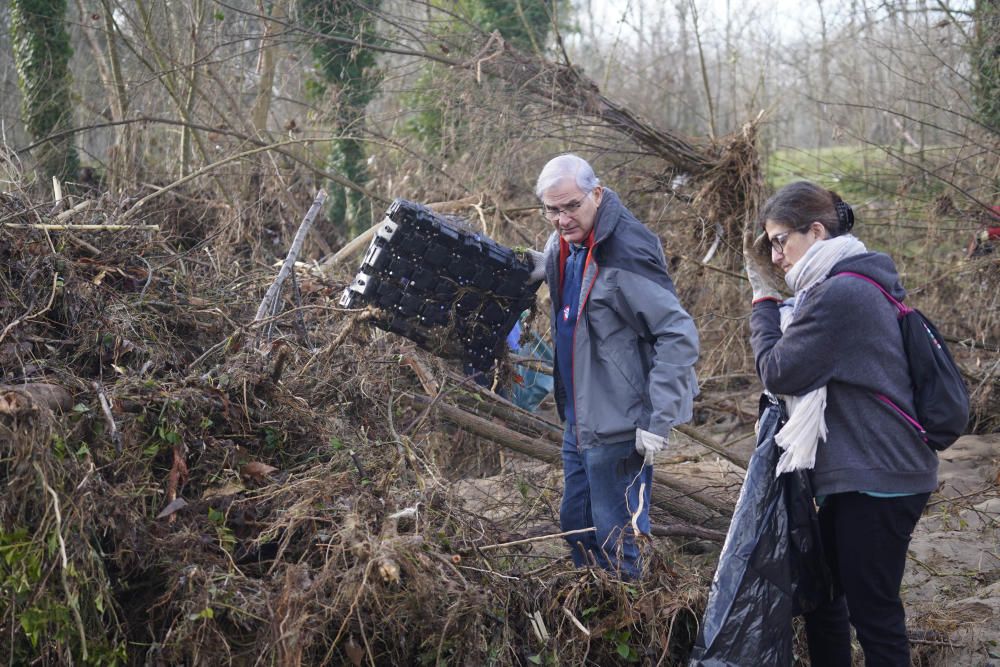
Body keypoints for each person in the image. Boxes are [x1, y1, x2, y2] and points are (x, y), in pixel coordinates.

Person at [744, 180, 938, 666]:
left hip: (879, 477)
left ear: (814, 232)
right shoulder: (843, 284)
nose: (776, 256)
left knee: (874, 613)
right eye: (769, 244)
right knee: (824, 598)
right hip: (860, 473)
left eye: (778, 241)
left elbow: (779, 370)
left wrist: (764, 305)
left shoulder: (840, 294)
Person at [526, 154, 699, 579]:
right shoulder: (564, 245)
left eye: (571, 206)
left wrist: (658, 419)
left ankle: (635, 624)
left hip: (621, 426)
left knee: (616, 536)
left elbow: (677, 333)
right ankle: (598, 606)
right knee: (576, 524)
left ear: (597, 195)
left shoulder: (626, 252)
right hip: (580, 421)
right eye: (552, 209)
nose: (562, 218)